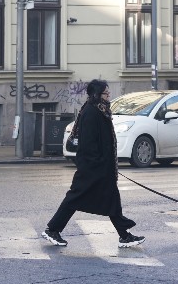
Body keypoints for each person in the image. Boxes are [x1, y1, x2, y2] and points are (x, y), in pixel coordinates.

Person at [42, 79, 145, 248]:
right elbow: (88, 144)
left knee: (111, 199)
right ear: (97, 95)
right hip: (92, 168)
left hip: (102, 167)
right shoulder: (91, 113)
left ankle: (124, 235)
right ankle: (52, 230)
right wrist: (100, 164)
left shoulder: (100, 111)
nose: (109, 95)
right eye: (106, 93)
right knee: (75, 198)